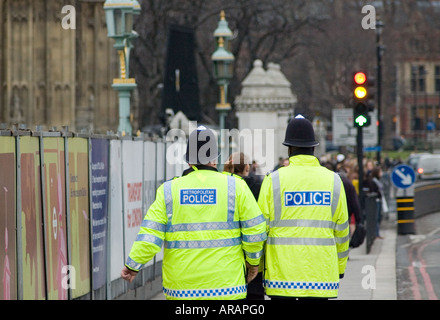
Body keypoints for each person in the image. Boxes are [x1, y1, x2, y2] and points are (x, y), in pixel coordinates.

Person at [121, 126, 267, 300]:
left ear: (188, 161)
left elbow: (150, 234)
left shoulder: (169, 191)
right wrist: (252, 264)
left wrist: (133, 265)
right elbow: (256, 231)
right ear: (214, 159)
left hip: (182, 290)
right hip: (227, 288)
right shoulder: (236, 187)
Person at [258, 115, 349, 299]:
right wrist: (339, 268)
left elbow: (260, 230)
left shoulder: (272, 180)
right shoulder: (334, 181)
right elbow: (342, 232)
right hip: (321, 276)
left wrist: (258, 267)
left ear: (289, 148)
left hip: (282, 278)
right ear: (314, 148)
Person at [223, 152, 264, 300]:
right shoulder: (259, 187)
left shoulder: (222, 187)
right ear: (247, 167)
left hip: (228, 259)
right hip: (255, 255)